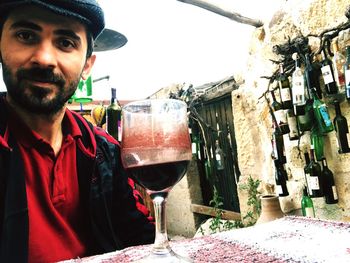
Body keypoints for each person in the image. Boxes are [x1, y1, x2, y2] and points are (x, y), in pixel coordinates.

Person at [0, 0, 155, 262]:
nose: (45, 58)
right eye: (26, 36)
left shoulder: (103, 151)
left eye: (66, 43)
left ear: (86, 66)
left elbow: (140, 239)